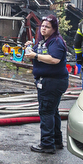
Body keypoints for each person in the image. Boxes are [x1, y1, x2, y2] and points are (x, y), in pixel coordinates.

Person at [25, 14, 68, 154]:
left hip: (52, 82)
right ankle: (56, 141)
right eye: (42, 26)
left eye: (47, 27)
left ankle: (47, 144)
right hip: (49, 80)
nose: (43, 29)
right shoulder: (44, 42)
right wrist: (30, 49)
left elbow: (54, 59)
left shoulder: (56, 42)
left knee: (46, 112)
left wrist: (35, 56)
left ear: (54, 29)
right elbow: (36, 54)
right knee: (53, 111)